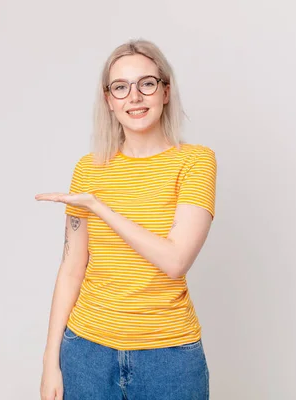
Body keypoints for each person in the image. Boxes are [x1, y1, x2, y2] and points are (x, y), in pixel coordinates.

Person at [35, 39, 217, 400]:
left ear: (165, 91)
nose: (134, 97)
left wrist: (100, 207)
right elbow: (72, 268)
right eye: (121, 87)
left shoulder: (195, 162)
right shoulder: (88, 169)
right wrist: (49, 361)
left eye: (146, 84)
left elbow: (174, 261)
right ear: (109, 99)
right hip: (86, 352)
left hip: (169, 358)